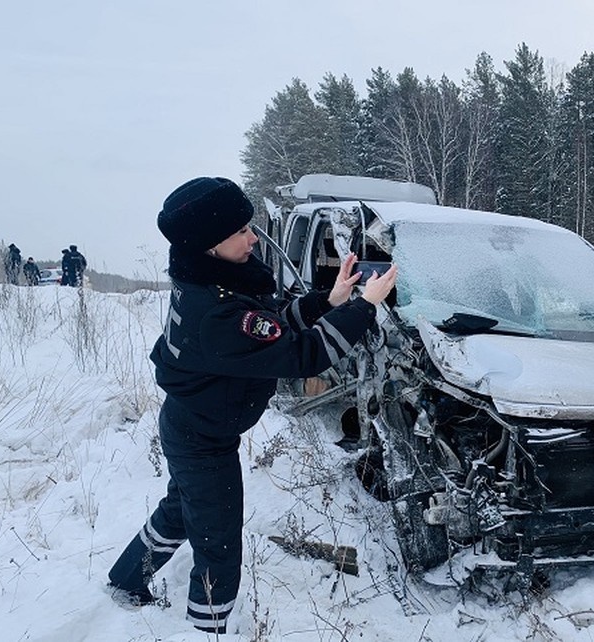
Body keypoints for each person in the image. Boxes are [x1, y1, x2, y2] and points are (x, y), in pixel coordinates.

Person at [106, 176, 397, 634]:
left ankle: (125, 582)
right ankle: (208, 628)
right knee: (218, 543)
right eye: (239, 232)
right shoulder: (217, 313)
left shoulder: (213, 282)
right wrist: (363, 306)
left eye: (248, 225)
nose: (253, 237)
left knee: (182, 510)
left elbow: (273, 321)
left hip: (193, 425)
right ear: (208, 245)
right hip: (202, 439)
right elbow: (304, 354)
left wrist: (331, 299)